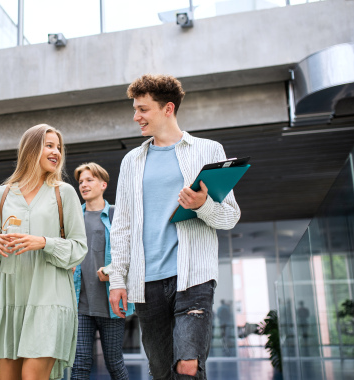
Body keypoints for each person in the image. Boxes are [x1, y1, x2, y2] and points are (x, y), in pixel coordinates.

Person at [108, 74, 241, 380]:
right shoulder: (131, 161)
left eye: (143, 109)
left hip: (193, 276)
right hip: (146, 282)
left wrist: (201, 205)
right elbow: (122, 225)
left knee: (188, 366)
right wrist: (118, 279)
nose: (135, 116)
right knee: (161, 371)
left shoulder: (208, 150)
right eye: (135, 109)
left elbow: (229, 217)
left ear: (168, 109)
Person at [0, 124, 88, 380]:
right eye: (49, 145)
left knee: (32, 376)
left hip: (49, 298)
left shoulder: (65, 193)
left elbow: (79, 248)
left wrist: (44, 242)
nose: (56, 152)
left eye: (59, 147)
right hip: (9, 300)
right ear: (31, 150)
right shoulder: (0, 196)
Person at [71, 163, 134, 380]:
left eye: (89, 180)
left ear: (103, 184)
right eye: (80, 182)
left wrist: (112, 271)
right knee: (78, 365)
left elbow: (131, 252)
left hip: (111, 304)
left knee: (115, 364)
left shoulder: (117, 215)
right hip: (79, 304)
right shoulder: (72, 218)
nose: (84, 185)